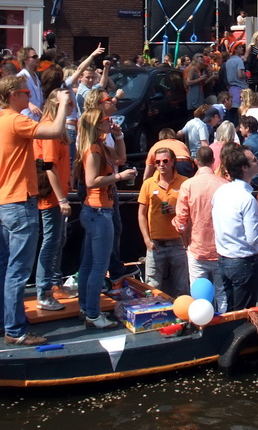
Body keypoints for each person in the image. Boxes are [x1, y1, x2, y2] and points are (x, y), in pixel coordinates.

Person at [0, 76, 74, 346]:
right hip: (19, 199)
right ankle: (15, 331)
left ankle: (2, 323)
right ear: (13, 95)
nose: (29, 98)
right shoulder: (14, 119)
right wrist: (60, 103)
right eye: (26, 93)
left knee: (5, 267)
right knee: (18, 270)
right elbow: (56, 129)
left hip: (2, 199)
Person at [77, 106, 136, 330]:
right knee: (98, 267)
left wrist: (119, 135)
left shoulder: (100, 147)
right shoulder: (93, 150)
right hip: (98, 211)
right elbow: (91, 181)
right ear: (97, 124)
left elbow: (121, 157)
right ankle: (92, 313)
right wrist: (118, 177)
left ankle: (86, 307)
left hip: (97, 211)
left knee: (89, 264)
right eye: (106, 119)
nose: (110, 120)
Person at [173, 147, 229, 314]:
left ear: (195, 162)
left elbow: (181, 222)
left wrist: (185, 241)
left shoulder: (187, 185)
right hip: (221, 248)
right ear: (213, 162)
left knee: (198, 295)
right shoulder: (225, 185)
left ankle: (202, 327)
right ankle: (224, 325)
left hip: (197, 248)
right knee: (222, 293)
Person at [32, 93, 72, 311]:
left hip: (59, 193)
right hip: (51, 196)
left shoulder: (57, 129)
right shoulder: (48, 129)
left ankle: (54, 284)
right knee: (50, 242)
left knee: (58, 239)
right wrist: (61, 198)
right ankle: (44, 292)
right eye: (68, 106)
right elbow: (48, 166)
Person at [212, 145, 258, 310]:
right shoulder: (246, 199)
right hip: (243, 262)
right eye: (254, 160)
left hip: (224, 259)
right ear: (244, 168)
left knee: (231, 311)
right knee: (243, 314)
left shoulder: (221, 191)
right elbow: (253, 238)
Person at [137, 148, 190, 298]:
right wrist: (147, 240)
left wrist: (177, 210)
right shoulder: (148, 184)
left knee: (182, 287)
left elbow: (192, 212)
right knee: (151, 289)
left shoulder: (185, 182)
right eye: (157, 162)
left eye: (165, 161)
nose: (161, 164)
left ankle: (183, 318)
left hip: (178, 243)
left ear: (172, 162)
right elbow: (141, 214)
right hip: (155, 244)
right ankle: (153, 318)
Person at [16, 47, 44, 120]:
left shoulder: (36, 76)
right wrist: (29, 104)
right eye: (34, 57)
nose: (38, 58)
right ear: (25, 60)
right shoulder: (20, 76)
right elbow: (17, 96)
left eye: (37, 56)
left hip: (37, 118)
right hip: (26, 116)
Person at [224, 42, 249, 108]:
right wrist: (247, 75)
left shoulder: (228, 61)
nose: (242, 48)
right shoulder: (239, 60)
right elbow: (240, 75)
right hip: (240, 89)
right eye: (240, 47)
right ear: (235, 50)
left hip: (231, 89)